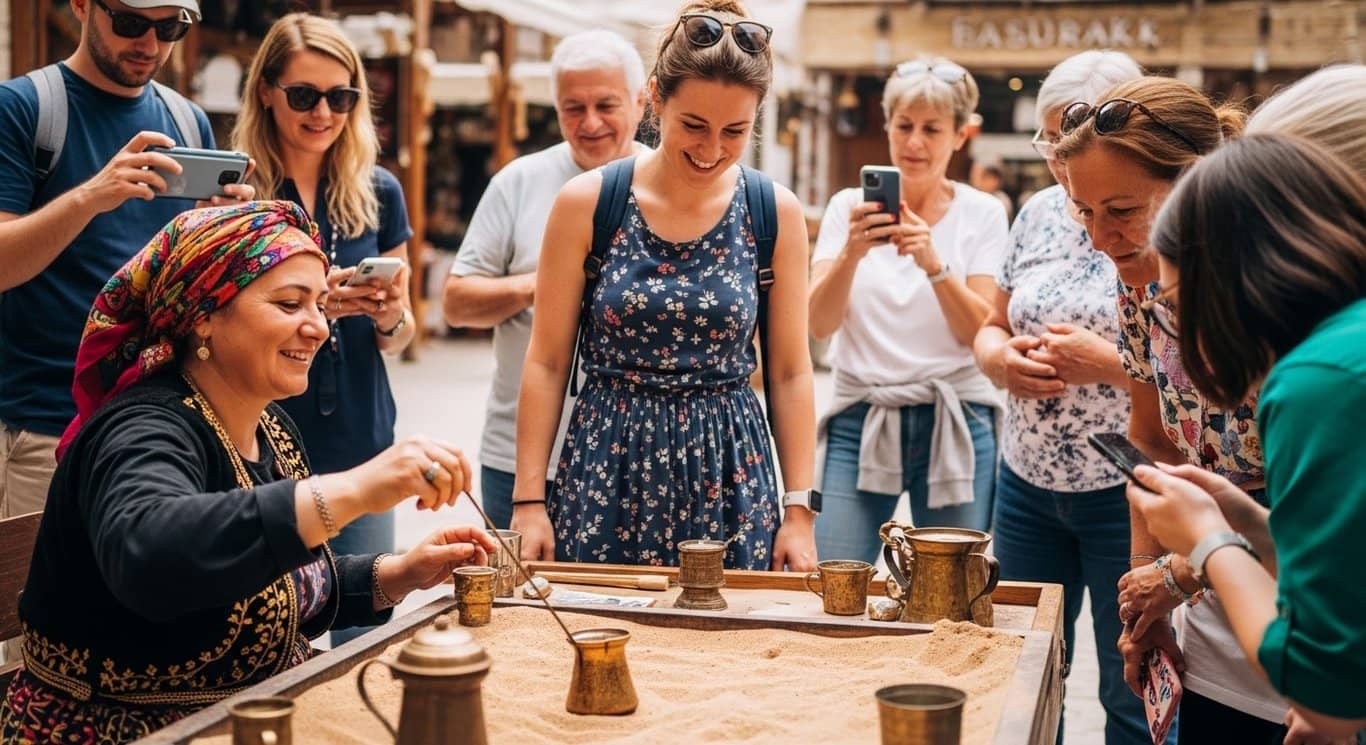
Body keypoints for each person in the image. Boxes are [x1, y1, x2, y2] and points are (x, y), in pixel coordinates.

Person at [0, 201, 495, 743]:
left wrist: (400, 573)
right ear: (203, 316)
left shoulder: (272, 428)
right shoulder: (141, 428)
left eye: (321, 305)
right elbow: (149, 553)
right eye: (290, 304)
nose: (319, 328)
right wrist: (356, 488)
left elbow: (277, 595)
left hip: (252, 714)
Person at [511, 0, 818, 571]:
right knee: (599, 620)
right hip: (607, 466)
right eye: (693, 125)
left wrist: (799, 510)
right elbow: (547, 362)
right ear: (655, 98)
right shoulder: (587, 203)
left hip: (730, 470)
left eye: (735, 131)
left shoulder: (773, 211)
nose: (711, 150)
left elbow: (790, 371)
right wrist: (529, 501)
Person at [1054, 77, 1291, 741]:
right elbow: (1151, 439)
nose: (1100, 237)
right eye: (1083, 212)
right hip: (1214, 620)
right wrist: (1146, 597)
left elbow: (1315, 505)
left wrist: (1175, 575)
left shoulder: (1282, 290)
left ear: (1197, 184)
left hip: (1311, 614)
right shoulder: (1140, 286)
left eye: (1122, 210)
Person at [1130, 133, 1366, 744]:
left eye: (1175, 304)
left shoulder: (1314, 381)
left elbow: (1326, 696)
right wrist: (1250, 522)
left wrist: (1209, 543)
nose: (1177, 334)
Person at [0, 0, 249, 521]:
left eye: (170, 27)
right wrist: (92, 195)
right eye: (131, 23)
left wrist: (220, 231)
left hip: (158, 429)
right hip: (44, 427)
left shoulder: (187, 121)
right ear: (82, 6)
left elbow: (186, 286)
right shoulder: (24, 108)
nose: (150, 44)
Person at [972, 50, 1151, 745]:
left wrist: (1105, 364)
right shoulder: (1038, 212)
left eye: (1068, 134)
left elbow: (1193, 369)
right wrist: (1000, 362)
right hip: (1025, 482)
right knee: (1024, 666)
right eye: (1048, 138)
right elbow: (992, 324)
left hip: (1123, 487)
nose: (1056, 155)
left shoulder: (1157, 216)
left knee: (1129, 681)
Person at [232, 13, 415, 644]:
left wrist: (387, 312)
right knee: (268, 634)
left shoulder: (378, 190)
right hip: (264, 442)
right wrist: (300, 305)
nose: (323, 113)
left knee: (363, 633)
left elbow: (402, 334)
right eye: (305, 95)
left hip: (363, 436)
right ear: (266, 91)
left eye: (341, 97)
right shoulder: (239, 193)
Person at [443, 29, 648, 530]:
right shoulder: (517, 182)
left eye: (606, 105)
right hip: (518, 459)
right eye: (573, 108)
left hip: (637, 457)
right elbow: (457, 302)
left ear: (641, 103)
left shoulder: (673, 187)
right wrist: (545, 284)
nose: (590, 122)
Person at [808, 54, 1007, 565]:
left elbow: (982, 334)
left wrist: (934, 265)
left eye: (932, 129)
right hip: (862, 413)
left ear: (960, 135)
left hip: (956, 416)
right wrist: (852, 252)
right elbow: (819, 324)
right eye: (904, 125)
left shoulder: (982, 213)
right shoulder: (846, 207)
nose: (915, 142)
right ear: (887, 126)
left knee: (951, 588)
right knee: (837, 575)